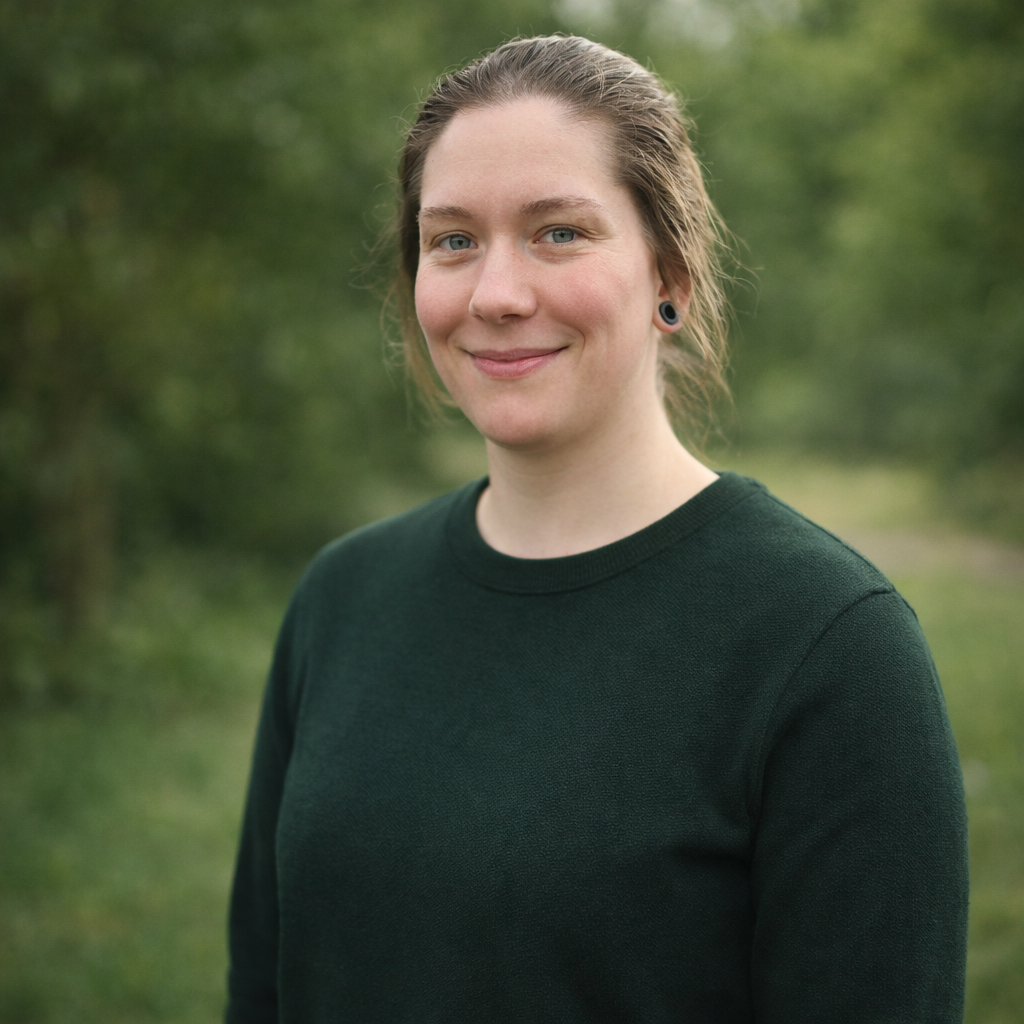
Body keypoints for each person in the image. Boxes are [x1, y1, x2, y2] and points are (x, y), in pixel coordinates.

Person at [225, 35, 968, 1024]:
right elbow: (264, 991)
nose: (495, 293)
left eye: (557, 232)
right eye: (452, 240)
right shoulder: (341, 596)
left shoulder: (828, 642)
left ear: (670, 275)